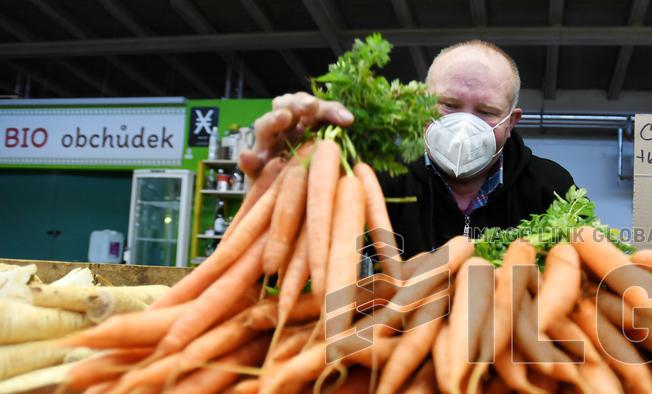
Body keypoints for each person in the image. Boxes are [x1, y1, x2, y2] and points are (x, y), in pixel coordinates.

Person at [240, 40, 575, 259]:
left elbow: (581, 286)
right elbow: (291, 261)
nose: (463, 124)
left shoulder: (551, 187)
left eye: (486, 111)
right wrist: (276, 186)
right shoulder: (374, 178)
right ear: (419, 105)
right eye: (448, 105)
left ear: (511, 121)